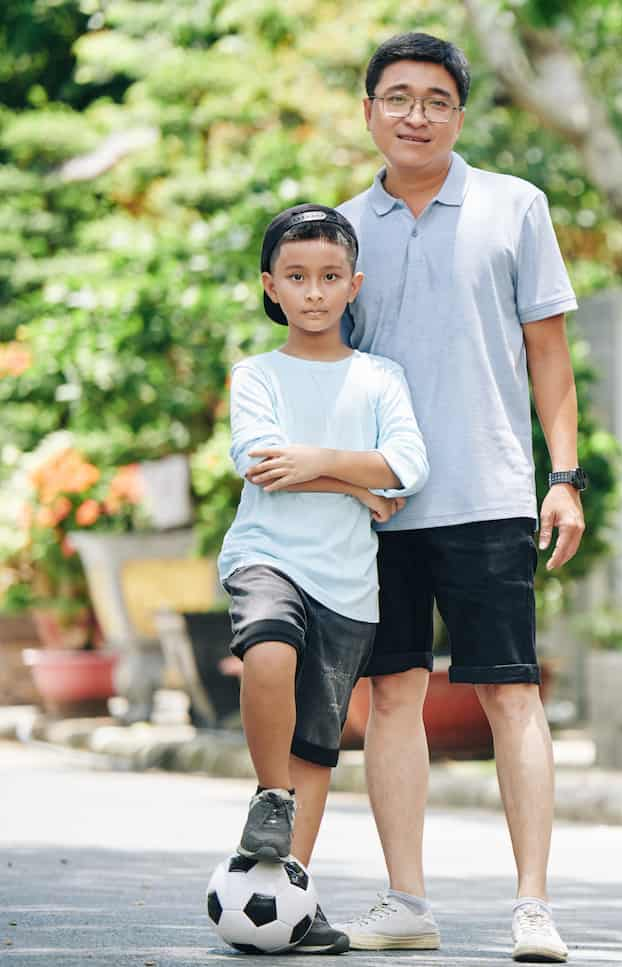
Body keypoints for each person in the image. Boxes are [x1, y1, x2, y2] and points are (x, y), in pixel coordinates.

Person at [332, 32, 585, 964]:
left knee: (510, 694)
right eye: (397, 97)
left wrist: (563, 478)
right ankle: (406, 900)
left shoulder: (515, 206)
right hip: (382, 503)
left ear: (461, 115)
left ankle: (532, 905)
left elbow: (548, 354)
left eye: (436, 99)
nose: (416, 115)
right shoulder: (342, 231)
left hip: (489, 491)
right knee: (390, 695)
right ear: (368, 114)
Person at [218, 203, 429, 955]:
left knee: (317, 745)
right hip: (267, 554)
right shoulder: (257, 375)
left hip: (348, 586)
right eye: (297, 277)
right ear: (271, 286)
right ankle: (269, 798)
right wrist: (352, 483)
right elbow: (262, 463)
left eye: (330, 277)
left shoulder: (380, 377)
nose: (313, 292)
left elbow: (410, 465)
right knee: (268, 651)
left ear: (353, 286)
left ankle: (287, 901)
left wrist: (320, 464)